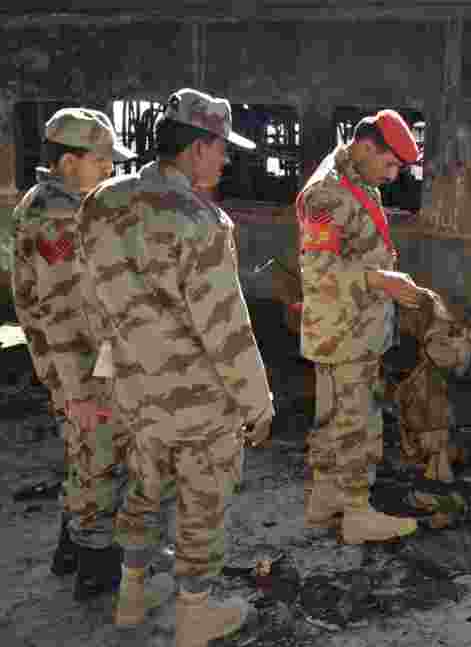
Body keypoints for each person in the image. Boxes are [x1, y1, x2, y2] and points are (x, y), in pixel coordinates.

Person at [76, 88, 274, 646]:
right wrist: (257, 404)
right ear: (196, 148)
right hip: (198, 398)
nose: (226, 159)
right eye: (221, 148)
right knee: (202, 499)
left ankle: (131, 595)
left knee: (143, 486)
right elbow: (226, 330)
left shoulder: (101, 202)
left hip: (133, 386)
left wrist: (113, 366)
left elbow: (89, 301)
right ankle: (194, 612)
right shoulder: (201, 221)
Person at [10, 107, 139, 599]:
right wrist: (81, 389)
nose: (110, 169)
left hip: (76, 363)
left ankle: (72, 548)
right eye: (102, 159)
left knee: (83, 453)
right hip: (81, 366)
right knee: (99, 458)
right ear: (68, 164)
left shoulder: (50, 203)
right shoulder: (57, 217)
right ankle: (96, 566)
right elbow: (63, 313)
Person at [297, 109, 426, 544]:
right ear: (367, 147)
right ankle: (356, 512)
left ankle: (324, 498)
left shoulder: (355, 175)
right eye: (390, 164)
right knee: (356, 421)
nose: (392, 176)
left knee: (332, 416)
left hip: (350, 324)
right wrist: (378, 279)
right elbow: (316, 269)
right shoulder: (327, 194)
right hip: (345, 329)